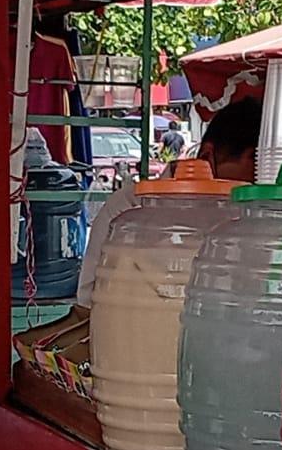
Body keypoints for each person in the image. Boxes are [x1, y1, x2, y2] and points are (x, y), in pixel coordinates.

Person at [76, 97, 260, 307]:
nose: (260, 181)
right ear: (207, 155)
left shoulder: (252, 218)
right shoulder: (129, 208)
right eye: (255, 165)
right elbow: (89, 302)